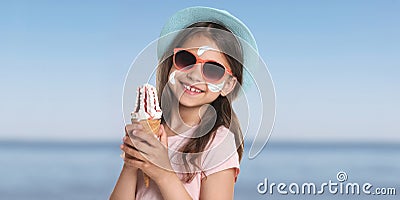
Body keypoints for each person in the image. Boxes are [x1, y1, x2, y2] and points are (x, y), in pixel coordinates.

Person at [110, 6, 258, 200]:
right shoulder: (152, 133)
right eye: (186, 59)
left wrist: (164, 174)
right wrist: (131, 164)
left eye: (213, 70)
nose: (194, 74)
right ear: (172, 62)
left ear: (228, 85)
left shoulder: (218, 143)